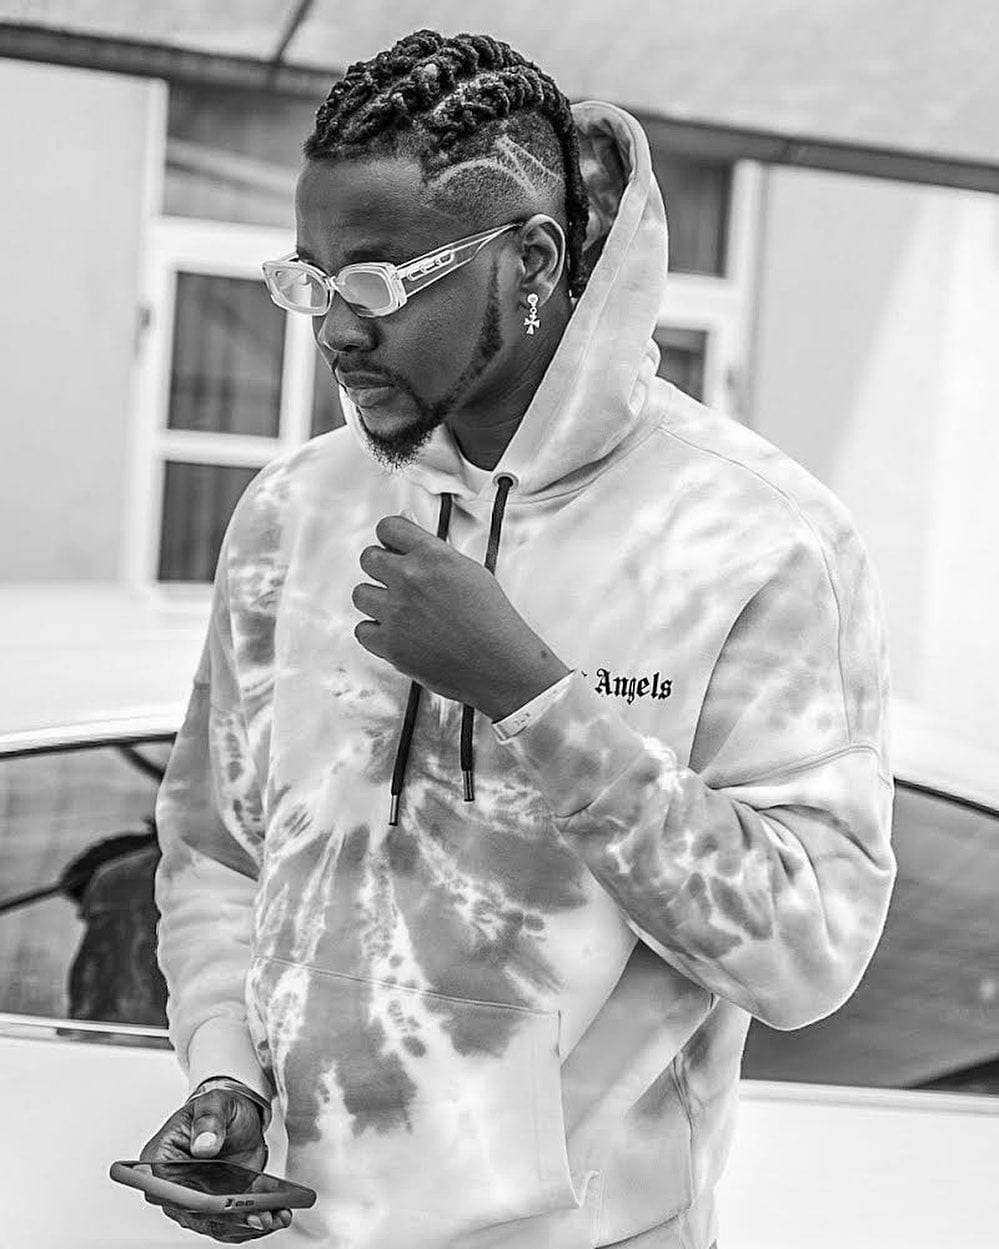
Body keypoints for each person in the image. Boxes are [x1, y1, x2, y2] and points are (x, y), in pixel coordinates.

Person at [139, 28, 896, 1249]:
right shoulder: (294, 509)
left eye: (376, 285)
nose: (334, 329)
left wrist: (534, 697)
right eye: (309, 282)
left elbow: (807, 950)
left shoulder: (756, 538)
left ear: (531, 260)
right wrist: (227, 1067)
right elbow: (218, 851)